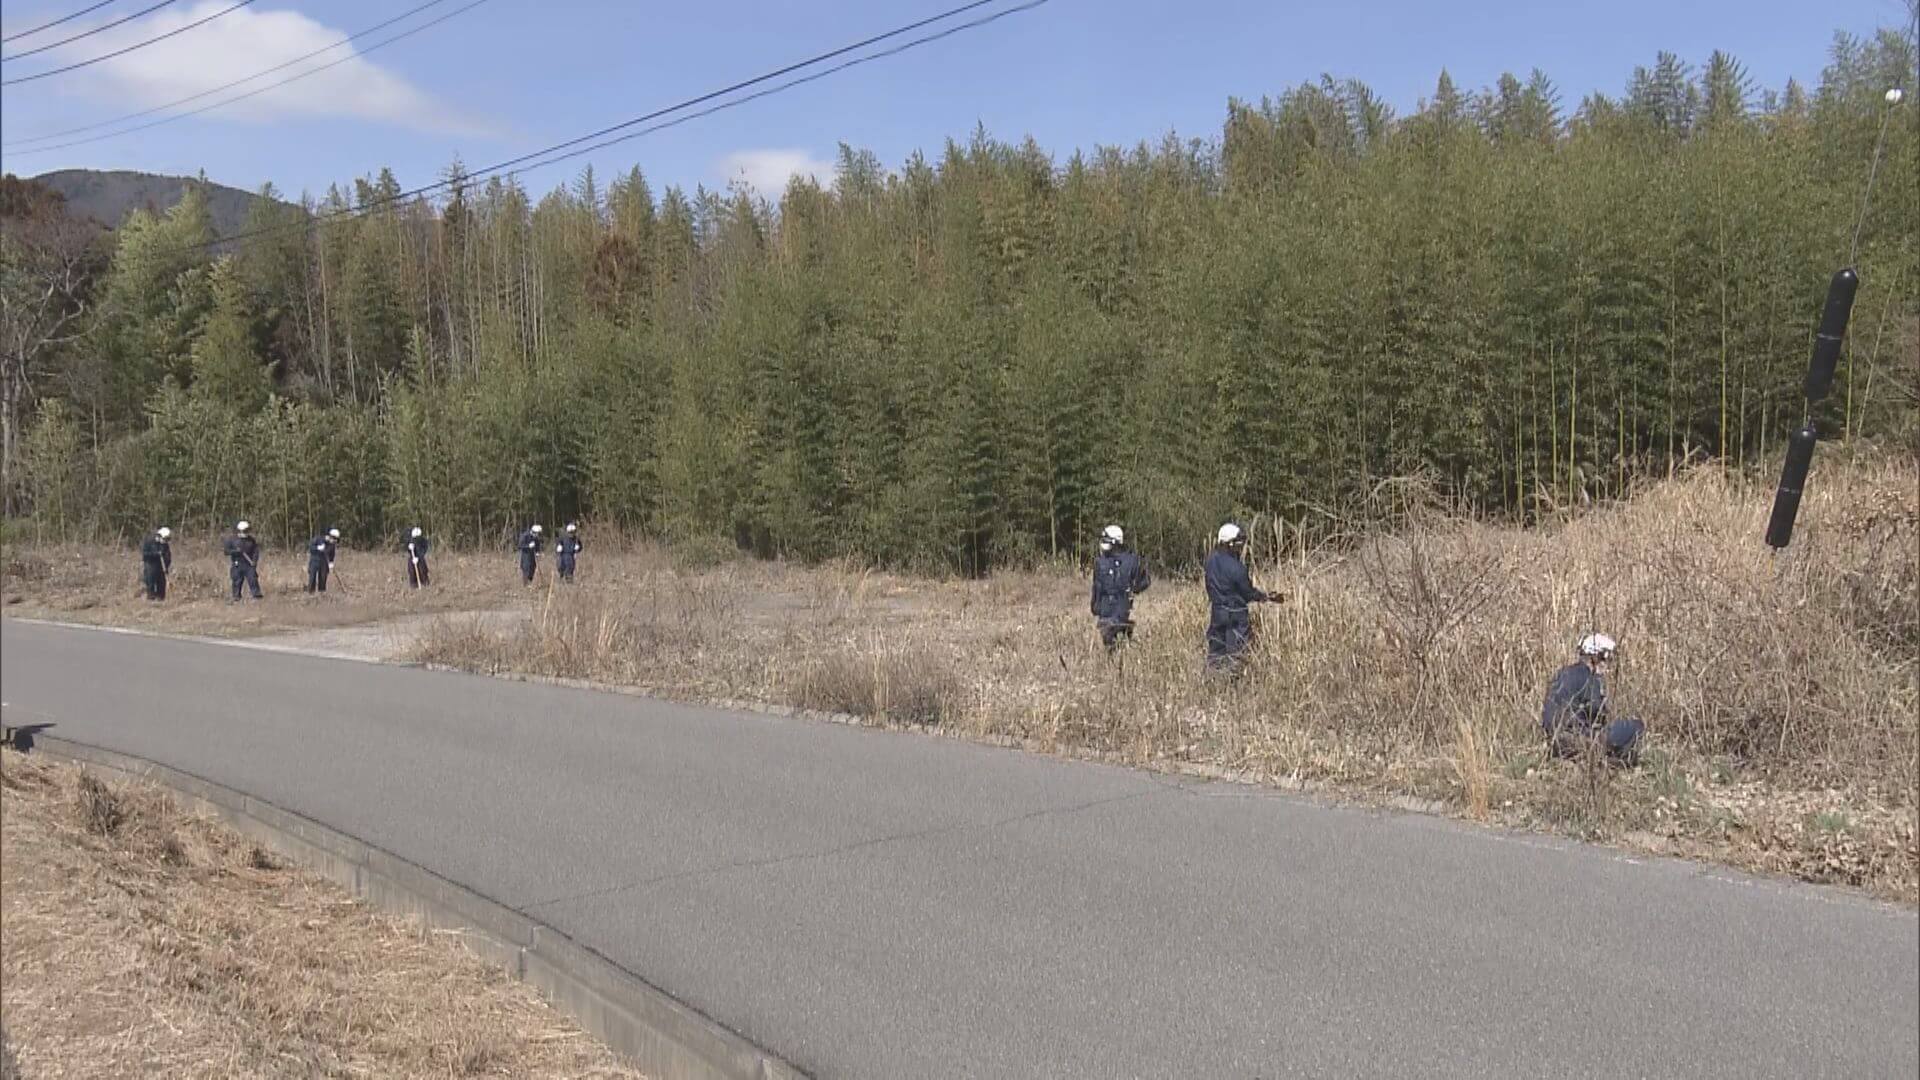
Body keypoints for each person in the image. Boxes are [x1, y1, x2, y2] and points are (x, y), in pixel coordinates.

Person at [1542, 633, 1644, 763]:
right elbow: (1597, 711)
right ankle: (1616, 761)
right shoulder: (1589, 678)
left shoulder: (1562, 673)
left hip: (1554, 740)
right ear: (1596, 658)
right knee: (1635, 726)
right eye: (1606, 659)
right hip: (1578, 740)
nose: (1607, 665)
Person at [1203, 523, 1279, 673]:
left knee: (1215, 655)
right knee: (1237, 655)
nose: (1240, 548)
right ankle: (1234, 687)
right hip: (1236, 615)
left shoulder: (1210, 561)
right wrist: (1266, 597)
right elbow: (1248, 593)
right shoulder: (1238, 568)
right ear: (1230, 544)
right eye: (1238, 544)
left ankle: (1212, 685)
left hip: (1217, 613)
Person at [1089, 524, 1150, 651]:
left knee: (1114, 648)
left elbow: (1144, 581)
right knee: (1115, 648)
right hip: (1115, 612)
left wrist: (1132, 589)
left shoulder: (1103, 562)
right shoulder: (1131, 560)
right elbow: (1097, 588)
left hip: (1115, 614)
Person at [224, 520, 263, 601]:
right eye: (244, 530)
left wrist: (254, 561)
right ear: (239, 530)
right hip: (237, 564)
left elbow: (256, 551)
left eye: (247, 530)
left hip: (249, 564)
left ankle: (257, 596)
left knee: (253, 579)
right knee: (237, 580)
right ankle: (236, 597)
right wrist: (235, 551)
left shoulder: (251, 540)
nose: (246, 532)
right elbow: (226, 551)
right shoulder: (232, 540)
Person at [140, 526, 173, 601]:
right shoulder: (149, 541)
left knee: (161, 583)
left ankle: (161, 599)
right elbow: (145, 555)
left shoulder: (165, 545)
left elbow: (168, 556)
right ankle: (151, 599)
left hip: (161, 566)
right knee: (150, 582)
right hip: (150, 565)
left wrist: (167, 564)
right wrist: (156, 554)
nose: (166, 541)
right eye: (165, 539)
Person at [305, 527, 341, 594]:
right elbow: (310, 547)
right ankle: (311, 592)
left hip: (324, 561)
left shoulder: (332, 545)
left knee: (323, 577)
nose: (334, 542)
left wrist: (331, 563)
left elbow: (332, 554)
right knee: (312, 577)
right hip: (314, 560)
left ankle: (321, 593)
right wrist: (317, 548)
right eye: (334, 539)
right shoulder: (318, 539)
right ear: (330, 537)